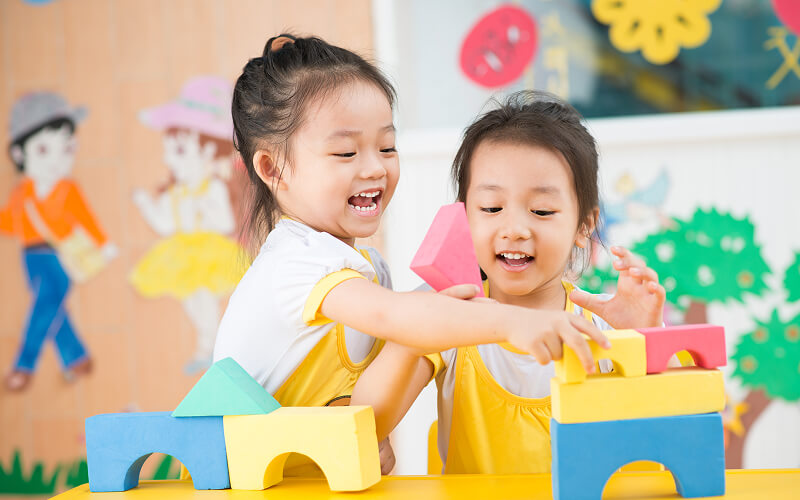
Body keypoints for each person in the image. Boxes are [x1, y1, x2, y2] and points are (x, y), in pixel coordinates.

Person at [213, 36, 606, 475]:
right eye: (346, 152)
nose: (375, 168)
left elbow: (373, 384)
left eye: (386, 147)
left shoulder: (367, 270)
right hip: (239, 473)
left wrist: (361, 428)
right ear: (273, 169)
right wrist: (510, 320)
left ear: (583, 224)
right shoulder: (294, 262)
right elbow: (398, 322)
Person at [352, 90, 669, 474]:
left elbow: (666, 445)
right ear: (464, 217)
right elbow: (365, 426)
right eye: (491, 208)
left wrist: (642, 341)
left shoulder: (604, 326)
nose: (515, 229)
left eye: (541, 210)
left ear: (584, 225)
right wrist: (413, 328)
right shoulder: (451, 317)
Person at [1, 92, 116, 391]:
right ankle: (77, 357)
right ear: (19, 154)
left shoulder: (68, 189)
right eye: (42, 149)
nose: (56, 159)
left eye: (65, 148)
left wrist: (103, 244)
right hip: (32, 258)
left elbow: (86, 219)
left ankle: (24, 366)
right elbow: (11, 223)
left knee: (46, 305)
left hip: (62, 256)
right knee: (52, 307)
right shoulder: (22, 193)